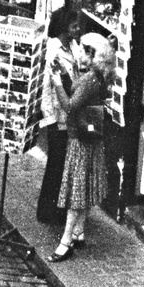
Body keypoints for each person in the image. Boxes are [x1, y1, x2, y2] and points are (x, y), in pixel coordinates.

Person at [49, 33, 113, 262]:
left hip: (80, 142)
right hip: (91, 140)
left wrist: (56, 82)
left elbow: (69, 106)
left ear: (95, 57)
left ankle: (65, 242)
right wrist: (65, 75)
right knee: (84, 188)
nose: (81, 54)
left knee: (76, 193)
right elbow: (76, 89)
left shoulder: (89, 80)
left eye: (86, 51)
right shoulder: (93, 77)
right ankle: (79, 232)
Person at [36, 9, 80, 225]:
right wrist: (49, 118)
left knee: (62, 163)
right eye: (74, 26)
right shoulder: (53, 50)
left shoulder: (72, 46)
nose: (78, 29)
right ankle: (46, 210)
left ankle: (55, 207)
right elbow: (46, 87)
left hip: (68, 115)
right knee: (56, 163)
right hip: (56, 116)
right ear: (64, 27)